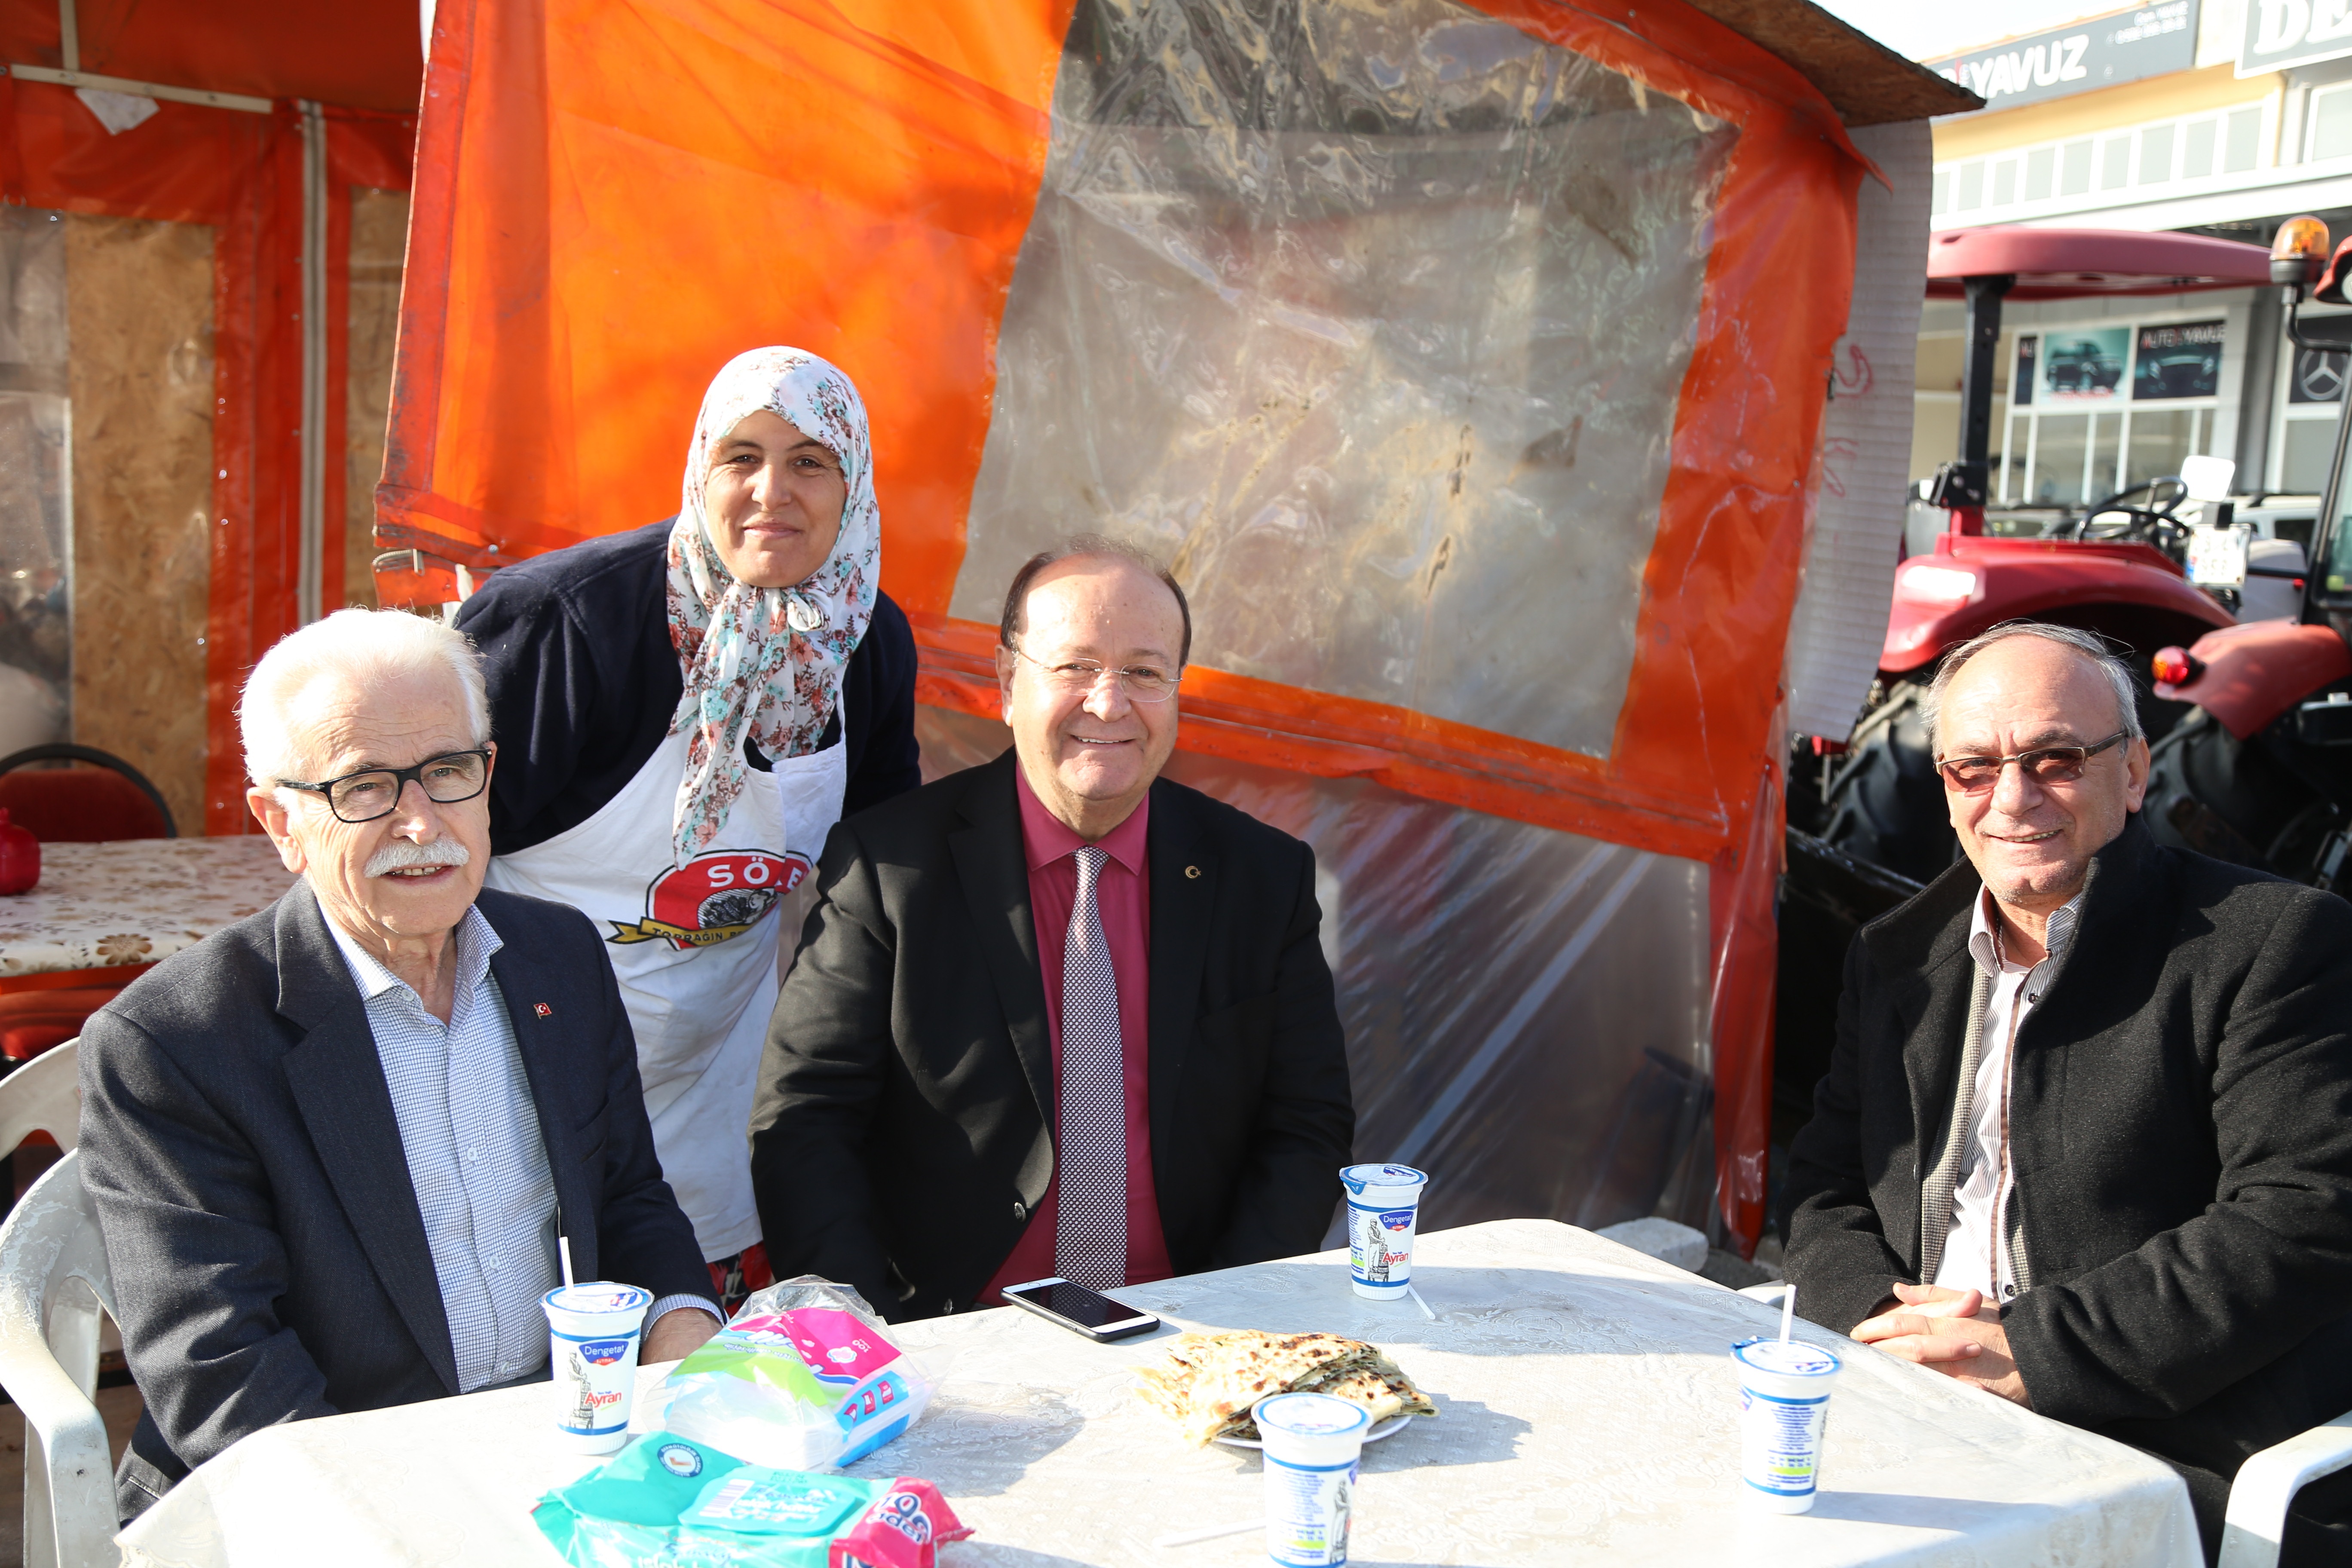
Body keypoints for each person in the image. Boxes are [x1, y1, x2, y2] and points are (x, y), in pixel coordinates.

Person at [79, 609, 720, 1522]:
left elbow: (625, 1197)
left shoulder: (561, 958)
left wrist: (683, 1332)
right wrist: (419, 1522)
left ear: (488, 774)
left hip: (560, 1446)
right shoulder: (175, 1044)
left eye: (448, 772)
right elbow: (221, 1368)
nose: (421, 825)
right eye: (364, 788)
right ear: (281, 822)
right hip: (319, 1489)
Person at [1780, 621, 2352, 1564]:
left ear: (2133, 771)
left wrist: (2036, 1352)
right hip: (1906, 1397)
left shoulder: (2271, 942)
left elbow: (2306, 1217)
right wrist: (1886, 1330)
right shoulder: (1893, 958)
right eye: (1974, 769)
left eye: (2055, 759)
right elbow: (1824, 1185)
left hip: (2149, 1433)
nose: (2012, 799)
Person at [747, 535, 1354, 1320]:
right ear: (1008, 682)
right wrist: (878, 1337)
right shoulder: (889, 868)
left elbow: (1306, 1123)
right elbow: (805, 1118)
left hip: (1190, 1326)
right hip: (953, 1332)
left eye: (1144, 673)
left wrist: (1228, 1315)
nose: (1109, 704)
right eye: (1075, 667)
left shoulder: (1263, 877)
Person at [456, 348, 921, 1310]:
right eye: (740, 456)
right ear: (698, 469)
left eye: (810, 462)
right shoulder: (564, 626)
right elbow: (430, 851)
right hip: (516, 1073)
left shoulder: (866, 642)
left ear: (855, 487)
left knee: (685, 1350)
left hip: (713, 1075)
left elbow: (880, 886)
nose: (770, 491)